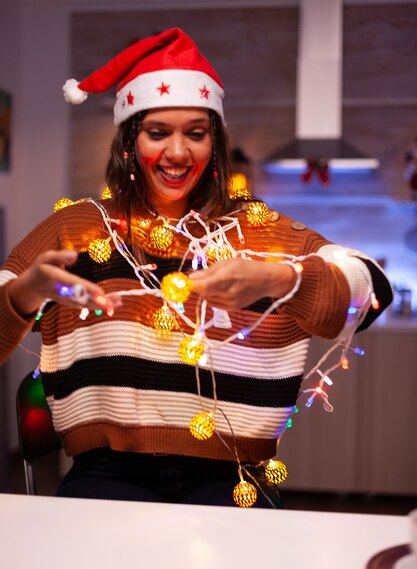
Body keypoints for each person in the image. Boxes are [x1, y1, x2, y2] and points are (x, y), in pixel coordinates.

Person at [0, 28, 392, 508]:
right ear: (129, 141)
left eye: (196, 133)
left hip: (232, 480)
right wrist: (24, 295)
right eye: (158, 133)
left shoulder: (259, 230)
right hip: (106, 473)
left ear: (215, 144)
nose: (178, 153)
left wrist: (281, 279)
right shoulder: (78, 228)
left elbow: (373, 289)